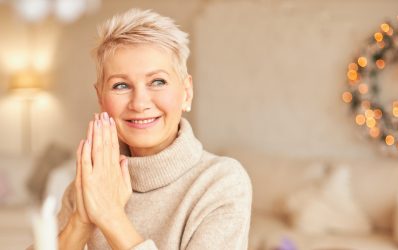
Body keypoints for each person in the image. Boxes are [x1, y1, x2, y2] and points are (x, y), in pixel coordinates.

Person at [47, 8, 252, 250]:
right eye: (121, 85)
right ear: (101, 98)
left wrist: (111, 216)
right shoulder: (94, 180)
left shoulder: (222, 182)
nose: (140, 103)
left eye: (158, 82)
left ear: (186, 93)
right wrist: (81, 221)